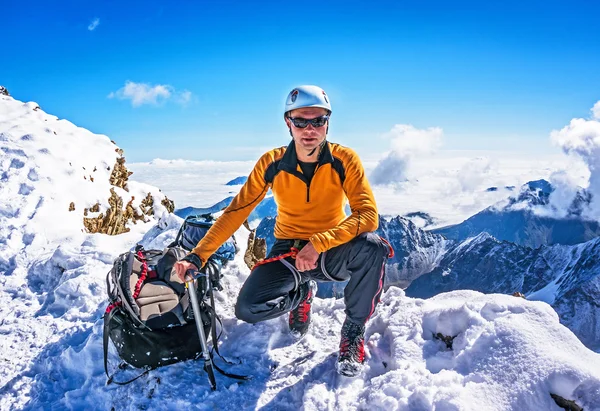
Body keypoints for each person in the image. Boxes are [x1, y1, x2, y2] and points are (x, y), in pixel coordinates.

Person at [174, 85, 391, 377]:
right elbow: (236, 212)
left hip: (330, 249)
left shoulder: (344, 160)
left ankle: (353, 332)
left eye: (318, 120)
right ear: (288, 122)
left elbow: (368, 215)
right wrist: (197, 257)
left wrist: (320, 242)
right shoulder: (272, 163)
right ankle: (301, 295)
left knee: (373, 247)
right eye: (301, 121)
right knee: (248, 310)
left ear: (328, 122)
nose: (309, 129)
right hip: (287, 249)